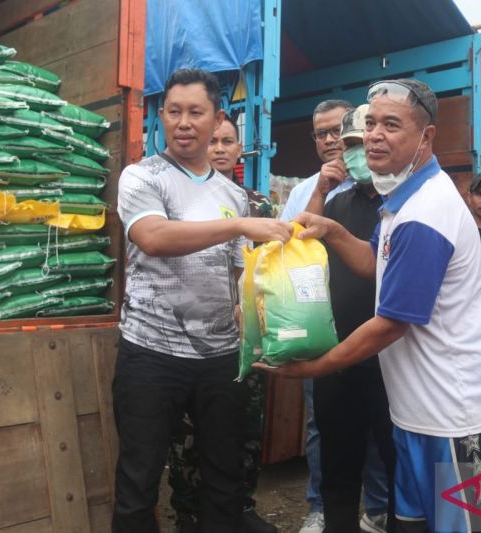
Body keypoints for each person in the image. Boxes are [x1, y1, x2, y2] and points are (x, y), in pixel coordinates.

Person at [260, 79, 481, 533]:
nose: (375, 135)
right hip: (418, 410)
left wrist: (315, 368)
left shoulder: (425, 214)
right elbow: (374, 264)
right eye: (371, 123)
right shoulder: (401, 201)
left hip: (453, 414)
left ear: (426, 136)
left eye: (391, 125)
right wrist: (333, 230)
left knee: (471, 525)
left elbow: (389, 325)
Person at [113, 68, 292, 533]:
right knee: (139, 480)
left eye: (196, 112)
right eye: (174, 112)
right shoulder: (141, 176)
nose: (184, 122)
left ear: (217, 120)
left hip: (219, 358)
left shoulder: (232, 193)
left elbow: (238, 277)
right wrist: (237, 226)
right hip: (151, 354)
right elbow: (152, 237)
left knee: (224, 478)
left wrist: (264, 322)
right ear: (162, 117)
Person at [279, 99, 389, 533]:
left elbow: (378, 266)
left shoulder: (401, 198)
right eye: (346, 143)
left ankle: (382, 511)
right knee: (331, 439)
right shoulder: (333, 199)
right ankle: (328, 512)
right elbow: (299, 247)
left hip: (386, 346)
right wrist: (322, 191)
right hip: (332, 343)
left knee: (386, 443)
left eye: (358, 142)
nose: (349, 150)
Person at [167, 114, 277, 533]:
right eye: (212, 141)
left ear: (238, 150)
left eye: (227, 141)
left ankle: (240, 506)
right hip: (191, 334)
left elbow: (273, 266)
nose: (218, 148)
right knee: (189, 428)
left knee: (245, 425)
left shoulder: (259, 205)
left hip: (246, 334)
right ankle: (188, 511)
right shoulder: (183, 201)